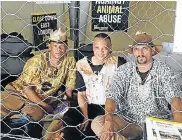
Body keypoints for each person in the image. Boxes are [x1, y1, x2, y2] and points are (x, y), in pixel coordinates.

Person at [91, 31, 182, 140]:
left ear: (152, 51)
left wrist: (178, 128)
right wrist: (108, 121)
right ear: (133, 52)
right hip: (127, 122)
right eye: (137, 49)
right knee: (97, 123)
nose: (141, 53)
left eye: (145, 49)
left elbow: (175, 100)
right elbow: (112, 96)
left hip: (156, 123)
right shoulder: (124, 70)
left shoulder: (164, 71)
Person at [1, 27, 76, 123]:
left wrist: (68, 103)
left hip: (37, 100)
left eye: (61, 46)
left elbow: (69, 85)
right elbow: (27, 89)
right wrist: (46, 106)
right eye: (55, 46)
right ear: (49, 46)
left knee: (33, 117)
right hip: (17, 93)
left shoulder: (70, 60)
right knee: (2, 110)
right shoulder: (37, 61)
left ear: (66, 46)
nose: (59, 50)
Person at [62, 33, 127, 140]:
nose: (101, 52)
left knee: (98, 131)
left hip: (111, 109)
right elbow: (81, 93)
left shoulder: (118, 63)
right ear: (93, 47)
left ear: (110, 48)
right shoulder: (81, 65)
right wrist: (85, 116)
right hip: (90, 107)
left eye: (104, 48)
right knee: (69, 118)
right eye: (97, 48)